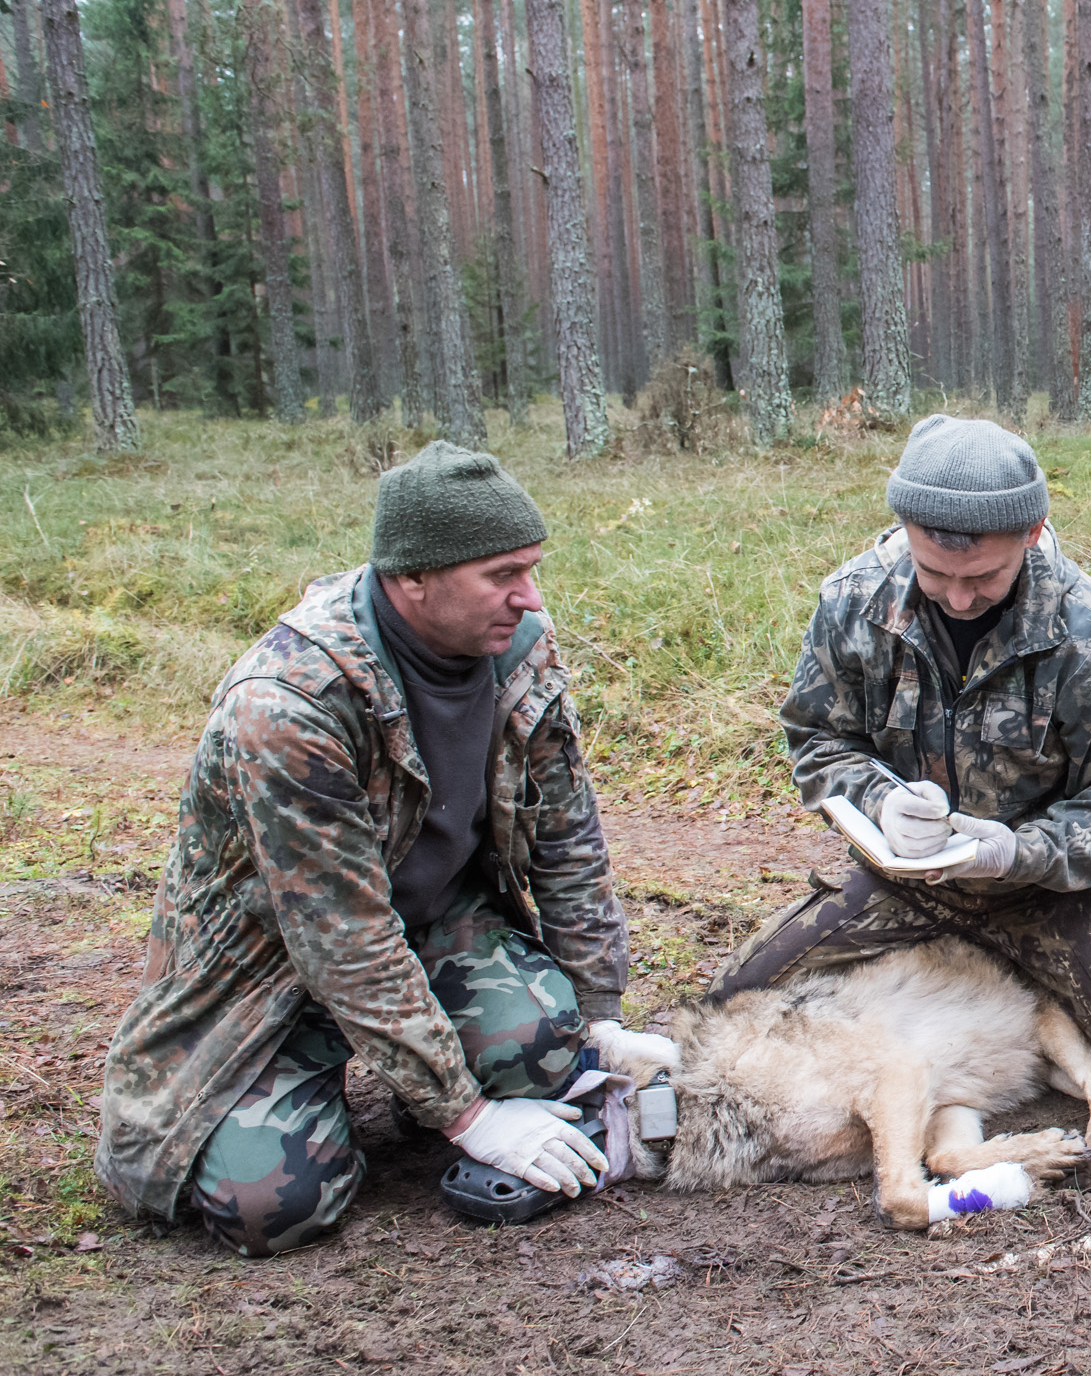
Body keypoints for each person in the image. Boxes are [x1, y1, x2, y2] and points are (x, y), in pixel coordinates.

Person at [97, 442, 670, 1256]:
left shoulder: (517, 652)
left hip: (430, 928)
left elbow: (569, 843)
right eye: (503, 575)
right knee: (273, 1207)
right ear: (414, 580)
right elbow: (344, 941)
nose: (530, 598)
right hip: (269, 976)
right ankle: (371, 1080)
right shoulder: (290, 704)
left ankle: (421, 1076)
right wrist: (470, 1120)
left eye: (532, 568)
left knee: (548, 1047)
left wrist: (600, 1024)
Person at [710, 415, 1091, 1133]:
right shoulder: (853, 603)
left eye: (982, 576)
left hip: (1053, 891)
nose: (957, 598)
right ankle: (976, 971)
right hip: (906, 885)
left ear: (1032, 532)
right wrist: (881, 802)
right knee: (728, 1012)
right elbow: (817, 740)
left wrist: (1019, 851)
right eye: (935, 574)